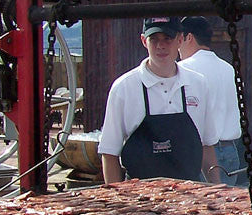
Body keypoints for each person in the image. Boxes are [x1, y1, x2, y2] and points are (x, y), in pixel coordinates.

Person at [98, 17, 221, 184]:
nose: (160, 46)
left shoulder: (198, 84)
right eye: (154, 39)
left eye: (167, 39)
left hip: (191, 196)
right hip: (139, 198)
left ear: (179, 40)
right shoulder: (123, 88)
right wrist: (116, 199)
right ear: (143, 41)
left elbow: (207, 146)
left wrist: (217, 190)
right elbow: (109, 153)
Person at [177, 16, 244, 186]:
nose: (177, 48)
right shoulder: (229, 69)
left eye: (179, 40)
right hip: (230, 151)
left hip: (199, 152)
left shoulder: (182, 70)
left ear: (189, 37)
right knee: (228, 208)